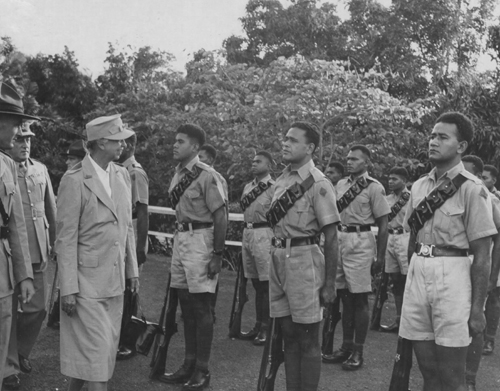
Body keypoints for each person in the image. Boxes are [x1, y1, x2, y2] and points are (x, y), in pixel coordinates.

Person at [400, 112, 496, 391]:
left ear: (461, 146)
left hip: (453, 273)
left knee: (452, 376)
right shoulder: (419, 186)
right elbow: (412, 238)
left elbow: (483, 253)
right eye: (432, 135)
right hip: (420, 269)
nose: (433, 141)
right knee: (428, 370)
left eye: (443, 137)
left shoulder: (472, 189)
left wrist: (477, 308)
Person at [55, 114, 139, 391]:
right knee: (99, 366)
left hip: (114, 285)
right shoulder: (74, 179)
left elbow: (126, 226)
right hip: (85, 286)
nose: (124, 144)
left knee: (92, 361)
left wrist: (132, 272)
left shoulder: (122, 174)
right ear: (101, 142)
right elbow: (65, 239)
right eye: (118, 139)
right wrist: (67, 288)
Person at [267, 121, 339, 391]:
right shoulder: (282, 179)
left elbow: (331, 237)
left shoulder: (319, 183)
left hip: (304, 259)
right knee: (288, 333)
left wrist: (330, 283)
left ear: (309, 148)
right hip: (278, 258)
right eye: (285, 138)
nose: (285, 143)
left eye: (293, 140)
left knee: (308, 338)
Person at [160, 124, 227, 391]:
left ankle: (202, 370)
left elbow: (221, 215)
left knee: (201, 308)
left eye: (181, 141)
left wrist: (218, 255)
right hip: (182, 238)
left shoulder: (207, 176)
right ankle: (188, 365)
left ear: (195, 147)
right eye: (175, 140)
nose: (175, 145)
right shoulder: (178, 174)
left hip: (202, 239)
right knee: (185, 306)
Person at [323, 145, 390, 370]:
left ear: (366, 163)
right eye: (348, 158)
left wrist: (380, 257)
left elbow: (383, 225)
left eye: (355, 159)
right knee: (344, 296)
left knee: (360, 298)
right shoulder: (340, 184)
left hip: (360, 241)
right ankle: (345, 347)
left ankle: (358, 351)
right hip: (339, 239)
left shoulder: (374, 188)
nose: (349, 162)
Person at [3, 122, 57, 389]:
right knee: (8, 311)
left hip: (37, 248)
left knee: (37, 308)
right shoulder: (4, 169)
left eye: (29, 140)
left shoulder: (40, 169)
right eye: (20, 139)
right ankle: (9, 364)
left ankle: (21, 351)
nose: (25, 144)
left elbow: (51, 209)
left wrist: (56, 241)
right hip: (9, 250)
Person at [0, 82, 36, 389]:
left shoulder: (9, 165)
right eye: (13, 124)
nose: (17, 132)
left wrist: (24, 275)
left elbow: (16, 225)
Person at [462, 155, 500, 391]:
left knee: (476, 318)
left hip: (478, 264)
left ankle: (469, 378)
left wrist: (492, 277)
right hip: (454, 266)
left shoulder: (490, 200)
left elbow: (496, 241)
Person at [115, 130, 149, 360]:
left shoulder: (135, 173)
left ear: (129, 144)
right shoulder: (120, 170)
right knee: (124, 289)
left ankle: (128, 342)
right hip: (124, 234)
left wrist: (140, 247)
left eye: (121, 141)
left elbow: (143, 211)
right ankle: (120, 337)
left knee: (130, 290)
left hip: (133, 235)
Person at [239, 151, 275, 345]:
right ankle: (258, 323)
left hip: (264, 233)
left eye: (258, 161)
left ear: (269, 166)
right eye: (253, 161)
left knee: (266, 283)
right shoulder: (248, 187)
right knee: (255, 283)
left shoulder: (273, 187)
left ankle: (266, 327)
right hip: (248, 233)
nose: (254, 164)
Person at [379, 166, 411, 333]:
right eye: (389, 178)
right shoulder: (386, 198)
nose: (391, 181)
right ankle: (399, 319)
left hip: (405, 237)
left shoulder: (411, 198)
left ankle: (409, 321)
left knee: (408, 280)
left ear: (404, 181)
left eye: (395, 179)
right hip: (390, 237)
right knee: (396, 280)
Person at [482, 164, 500, 356]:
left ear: (494, 180)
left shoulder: (496, 199)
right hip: (480, 251)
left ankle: (490, 339)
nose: (482, 181)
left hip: (496, 250)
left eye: (486, 178)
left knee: (493, 294)